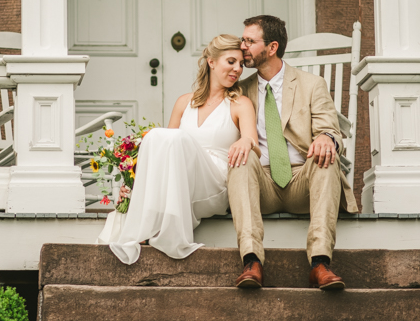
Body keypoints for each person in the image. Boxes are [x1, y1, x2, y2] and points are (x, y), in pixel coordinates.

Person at [228, 15, 358, 290]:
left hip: (302, 182)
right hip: (260, 184)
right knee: (243, 156)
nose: (242, 47)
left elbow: (333, 131)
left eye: (250, 41)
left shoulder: (312, 84)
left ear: (272, 47)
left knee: (325, 157)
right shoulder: (240, 91)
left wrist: (325, 138)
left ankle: (320, 263)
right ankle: (252, 262)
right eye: (243, 40)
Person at [105, 34, 258, 265]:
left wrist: (247, 140)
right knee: (157, 135)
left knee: (175, 138)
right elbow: (163, 153)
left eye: (241, 64)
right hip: (182, 181)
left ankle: (165, 230)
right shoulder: (184, 102)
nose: (237, 69)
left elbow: (253, 145)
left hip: (215, 183)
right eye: (231, 61)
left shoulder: (240, 104)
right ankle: (150, 223)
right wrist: (133, 184)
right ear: (212, 62)